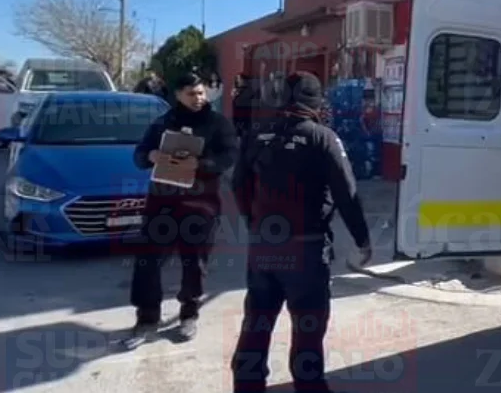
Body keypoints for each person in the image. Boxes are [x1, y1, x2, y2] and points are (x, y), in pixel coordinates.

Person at [230, 71, 372, 393]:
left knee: (257, 323)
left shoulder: (255, 135)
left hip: (263, 250)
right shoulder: (322, 137)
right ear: (316, 102)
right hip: (305, 252)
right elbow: (347, 194)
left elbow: (238, 184)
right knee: (307, 330)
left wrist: (253, 223)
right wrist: (362, 240)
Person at [126, 72, 239, 347]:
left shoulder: (218, 124)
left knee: (194, 263)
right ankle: (147, 317)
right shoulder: (162, 124)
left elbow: (229, 156)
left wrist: (199, 164)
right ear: (177, 95)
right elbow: (139, 155)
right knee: (148, 262)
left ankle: (189, 313)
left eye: (201, 92)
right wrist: (150, 156)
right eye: (191, 94)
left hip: (200, 204)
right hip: (161, 204)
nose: (198, 98)